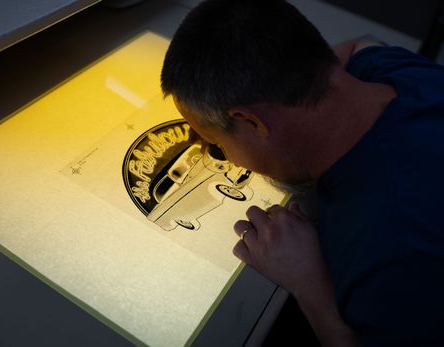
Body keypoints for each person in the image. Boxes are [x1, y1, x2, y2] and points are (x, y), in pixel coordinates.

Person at [160, 0, 444, 346]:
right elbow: (359, 46)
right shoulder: (397, 73)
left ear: (250, 121)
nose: (224, 158)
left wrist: (309, 283)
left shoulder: (391, 252)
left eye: (214, 144)